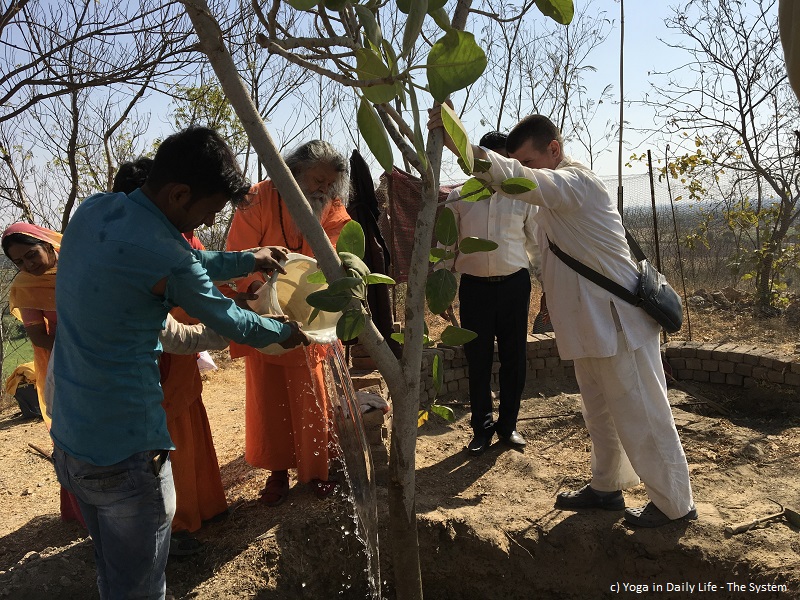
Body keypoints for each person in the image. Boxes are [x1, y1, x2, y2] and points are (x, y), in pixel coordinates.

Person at [50, 125, 310, 600]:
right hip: (127, 454)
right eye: (208, 211)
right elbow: (231, 319)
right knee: (141, 589)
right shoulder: (168, 256)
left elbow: (174, 259)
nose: (204, 224)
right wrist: (289, 332)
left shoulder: (94, 211)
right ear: (179, 193)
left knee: (114, 575)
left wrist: (246, 259)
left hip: (71, 440)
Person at [431, 110, 696, 528]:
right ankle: (606, 488)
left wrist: (460, 143)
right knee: (600, 414)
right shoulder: (552, 198)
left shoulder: (575, 184)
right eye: (518, 163)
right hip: (589, 326)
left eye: (529, 162)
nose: (523, 171)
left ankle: (675, 505)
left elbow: (519, 180)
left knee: (644, 414)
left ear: (554, 150)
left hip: (618, 324)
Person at [225, 139, 352, 506]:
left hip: (311, 316)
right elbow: (238, 255)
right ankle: (277, 473)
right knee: (269, 401)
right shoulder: (257, 198)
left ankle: (317, 472)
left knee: (312, 398)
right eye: (317, 180)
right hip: (263, 313)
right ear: (293, 173)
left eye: (330, 183)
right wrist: (260, 295)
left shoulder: (333, 208)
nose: (323, 189)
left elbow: (339, 256)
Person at [112, 158, 228, 556]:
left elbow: (203, 273)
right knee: (164, 438)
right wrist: (235, 320)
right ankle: (173, 525)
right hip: (154, 359)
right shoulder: (129, 248)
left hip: (181, 355)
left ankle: (203, 505)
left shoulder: (180, 237)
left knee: (188, 424)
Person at [441, 131, 538, 456]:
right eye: (488, 161)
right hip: (474, 289)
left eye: (501, 162)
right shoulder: (459, 197)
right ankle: (481, 429)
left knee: (515, 358)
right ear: (477, 161)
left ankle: (508, 426)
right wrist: (441, 289)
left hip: (514, 286)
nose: (494, 168)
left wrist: (550, 287)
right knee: (477, 360)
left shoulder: (522, 196)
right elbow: (446, 246)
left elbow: (536, 246)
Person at [2, 222, 85, 526]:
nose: (28, 265)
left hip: (112, 354)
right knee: (75, 434)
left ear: (48, 244)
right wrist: (80, 346)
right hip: (66, 366)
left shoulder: (83, 265)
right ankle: (85, 511)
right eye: (18, 262)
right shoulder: (26, 286)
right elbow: (38, 336)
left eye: (31, 255)